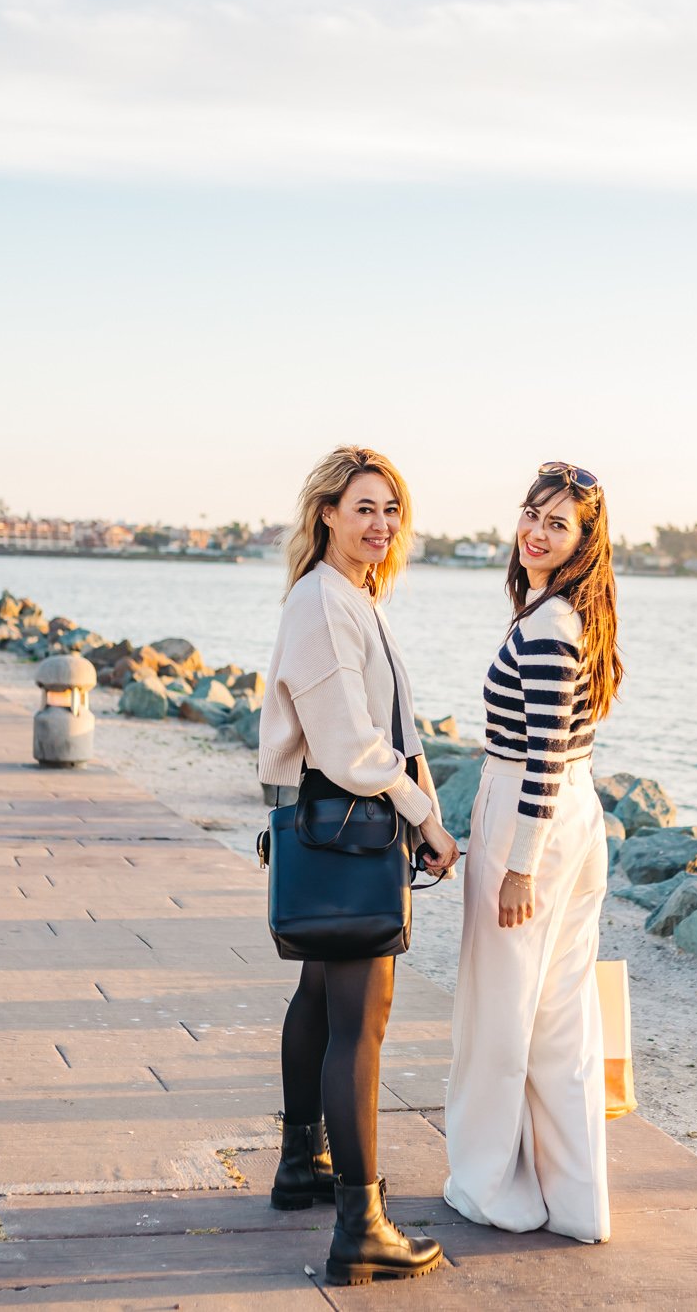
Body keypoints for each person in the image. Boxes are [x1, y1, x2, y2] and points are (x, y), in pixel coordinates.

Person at [257, 445, 459, 1285]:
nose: (380, 524)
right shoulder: (321, 602)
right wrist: (424, 819)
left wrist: (422, 805)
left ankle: (302, 1162)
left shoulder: (347, 598)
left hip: (330, 824)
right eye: (364, 507)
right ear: (327, 514)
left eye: (391, 511)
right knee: (360, 1019)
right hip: (346, 824)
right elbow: (349, 746)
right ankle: (361, 1223)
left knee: (319, 993)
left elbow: (376, 731)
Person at [443, 460, 623, 1245]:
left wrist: (518, 865)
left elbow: (545, 752)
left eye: (557, 523)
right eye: (531, 514)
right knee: (558, 1021)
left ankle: (494, 1186)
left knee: (503, 1014)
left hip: (532, 818)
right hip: (566, 819)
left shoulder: (550, 626)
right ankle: (575, 1201)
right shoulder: (563, 614)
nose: (536, 532)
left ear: (583, 543)